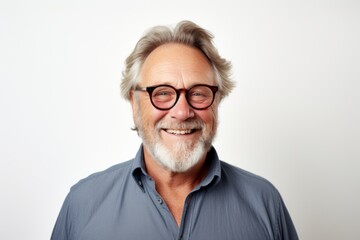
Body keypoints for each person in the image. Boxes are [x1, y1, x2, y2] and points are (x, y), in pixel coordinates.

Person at [51, 20, 298, 240]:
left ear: (217, 102)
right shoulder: (83, 206)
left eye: (198, 93)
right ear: (135, 105)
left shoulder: (265, 204)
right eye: (162, 93)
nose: (182, 112)